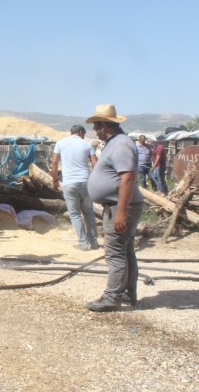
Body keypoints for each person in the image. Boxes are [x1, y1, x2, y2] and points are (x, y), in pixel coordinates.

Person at [85, 105, 145, 312]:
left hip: (120, 206)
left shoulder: (120, 145)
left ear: (104, 125)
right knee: (125, 251)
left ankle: (112, 297)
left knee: (115, 252)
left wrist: (120, 212)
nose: (94, 129)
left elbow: (127, 179)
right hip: (116, 205)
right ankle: (128, 292)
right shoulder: (114, 143)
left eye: (96, 125)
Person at [50, 125, 99, 251]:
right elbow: (95, 163)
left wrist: (54, 180)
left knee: (75, 215)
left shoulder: (60, 143)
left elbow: (54, 163)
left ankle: (83, 243)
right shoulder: (87, 145)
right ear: (81, 132)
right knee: (89, 213)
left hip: (69, 183)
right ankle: (94, 242)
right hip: (85, 182)